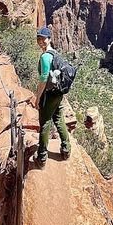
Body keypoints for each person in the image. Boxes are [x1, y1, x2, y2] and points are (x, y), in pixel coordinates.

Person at [33, 26, 71, 167]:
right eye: (38, 38)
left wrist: (38, 98)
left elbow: (43, 78)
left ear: (49, 39)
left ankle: (42, 157)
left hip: (48, 95)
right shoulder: (55, 53)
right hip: (58, 94)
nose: (40, 41)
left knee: (45, 123)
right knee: (59, 119)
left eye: (43, 38)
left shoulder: (45, 56)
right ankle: (66, 149)